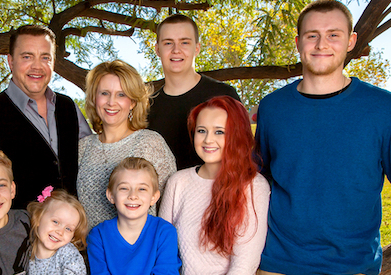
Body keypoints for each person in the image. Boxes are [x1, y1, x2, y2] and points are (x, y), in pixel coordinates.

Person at [254, 1, 391, 274]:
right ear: (299, 42)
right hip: (277, 263)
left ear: (351, 41)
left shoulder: (384, 108)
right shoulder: (273, 107)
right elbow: (256, 181)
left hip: (351, 265)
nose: (322, 44)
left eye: (334, 35)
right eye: (312, 35)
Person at [0, 25, 92, 209]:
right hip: (18, 232)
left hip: (71, 231)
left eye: (45, 57)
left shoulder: (68, 106)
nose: (37, 66)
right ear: (11, 61)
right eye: (27, 56)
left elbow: (91, 163)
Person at [159, 96, 270, 274]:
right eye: (201, 131)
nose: (208, 140)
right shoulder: (177, 182)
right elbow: (163, 251)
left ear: (237, 135)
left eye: (219, 132)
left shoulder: (254, 186)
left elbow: (244, 265)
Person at [77, 60, 176, 228]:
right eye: (104, 93)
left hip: (143, 252)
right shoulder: (82, 148)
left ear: (133, 102)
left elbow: (172, 209)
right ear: (94, 98)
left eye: (121, 94)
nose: (111, 102)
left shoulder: (150, 143)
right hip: (91, 252)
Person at [147, 14, 241, 170]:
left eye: (184, 42)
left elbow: (241, 153)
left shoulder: (224, 95)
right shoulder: (147, 107)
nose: (176, 50)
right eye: (168, 43)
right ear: (157, 49)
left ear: (196, 48)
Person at [87, 157, 182, 275]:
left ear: (154, 197)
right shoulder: (98, 235)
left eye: (142, 189)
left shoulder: (164, 232)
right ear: (111, 195)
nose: (133, 195)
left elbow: (166, 272)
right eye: (124, 188)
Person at [26, 188, 88, 275]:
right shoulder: (26, 249)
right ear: (38, 218)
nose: (60, 232)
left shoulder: (69, 255)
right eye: (55, 222)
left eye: (68, 229)